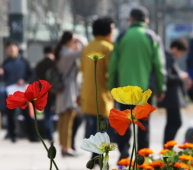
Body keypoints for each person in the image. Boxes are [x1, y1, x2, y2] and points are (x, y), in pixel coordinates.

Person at [108, 7, 166, 160]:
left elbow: (113, 65)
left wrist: (110, 88)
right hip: (144, 90)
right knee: (143, 124)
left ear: (131, 19)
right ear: (146, 20)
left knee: (124, 122)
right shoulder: (152, 36)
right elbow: (159, 66)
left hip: (124, 91)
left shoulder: (122, 36)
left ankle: (124, 152)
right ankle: (142, 156)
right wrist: (161, 88)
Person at [80, 17, 115, 160]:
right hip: (102, 94)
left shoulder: (88, 46)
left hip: (88, 93)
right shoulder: (108, 48)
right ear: (107, 31)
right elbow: (112, 72)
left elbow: (82, 68)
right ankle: (97, 156)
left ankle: (95, 155)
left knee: (95, 124)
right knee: (101, 126)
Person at [0, 40, 38, 142]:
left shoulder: (24, 61)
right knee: (10, 115)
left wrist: (24, 80)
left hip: (22, 92)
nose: (11, 50)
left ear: (17, 48)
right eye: (9, 48)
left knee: (27, 114)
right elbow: (3, 78)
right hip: (10, 93)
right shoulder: (5, 63)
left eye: (13, 47)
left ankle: (32, 136)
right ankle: (12, 136)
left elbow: (31, 74)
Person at [54, 31, 81, 157]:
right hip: (67, 90)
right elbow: (84, 51)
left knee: (64, 119)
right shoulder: (66, 53)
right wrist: (81, 40)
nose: (76, 43)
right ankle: (66, 148)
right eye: (74, 41)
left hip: (64, 90)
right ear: (67, 41)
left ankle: (65, 147)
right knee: (67, 120)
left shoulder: (62, 52)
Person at [158, 39, 189, 145]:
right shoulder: (167, 58)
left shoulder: (168, 57)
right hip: (171, 96)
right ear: (175, 48)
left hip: (171, 96)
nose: (180, 55)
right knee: (176, 122)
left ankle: (167, 146)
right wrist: (180, 77)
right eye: (181, 52)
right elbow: (166, 77)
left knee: (171, 122)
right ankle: (168, 145)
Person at [36, 46, 55, 141]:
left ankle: (49, 136)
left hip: (43, 93)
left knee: (46, 116)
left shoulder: (39, 64)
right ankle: (52, 135)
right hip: (54, 94)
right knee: (57, 115)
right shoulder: (54, 64)